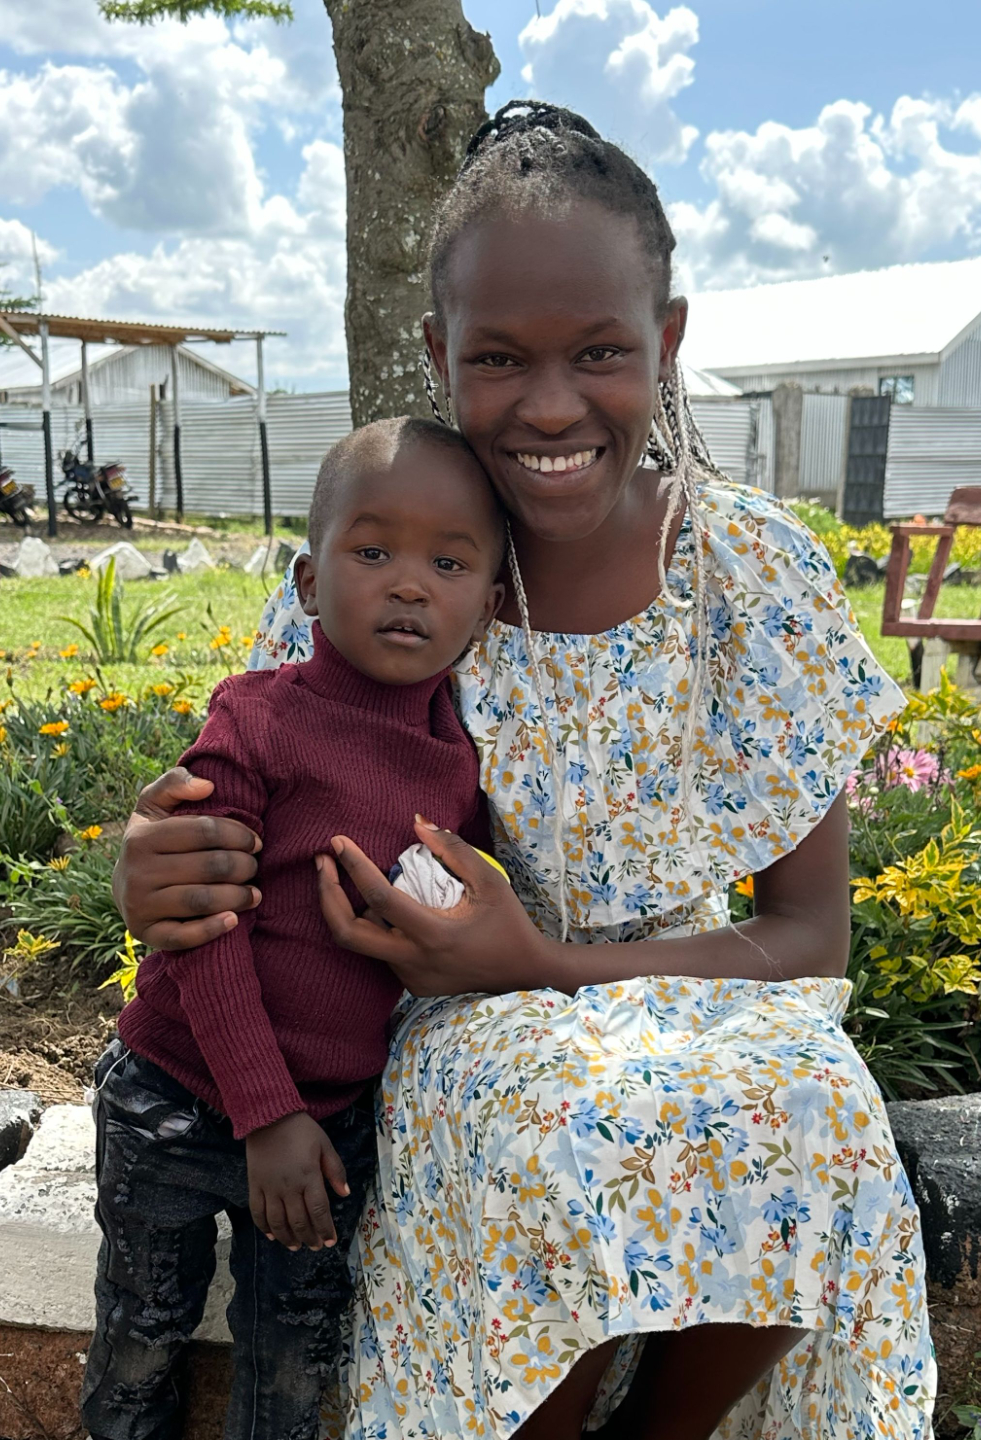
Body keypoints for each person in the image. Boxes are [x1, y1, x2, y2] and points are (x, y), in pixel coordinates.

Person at [113, 102, 935, 1440]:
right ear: (439, 352)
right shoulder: (382, 581)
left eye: (601, 351)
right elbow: (235, 823)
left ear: (667, 340)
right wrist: (153, 868)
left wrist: (542, 960)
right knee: (542, 1126)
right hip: (436, 1012)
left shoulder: (750, 576)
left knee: (820, 1108)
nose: (551, 406)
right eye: (497, 358)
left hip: (697, 992)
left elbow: (808, 935)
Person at [82, 417, 507, 1440]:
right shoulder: (256, 720)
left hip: (329, 1123)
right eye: (373, 552)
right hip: (179, 1098)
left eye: (448, 564)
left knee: (294, 1356)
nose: (410, 586)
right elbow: (200, 927)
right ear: (309, 584)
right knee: (143, 1331)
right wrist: (264, 1113)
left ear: (488, 607)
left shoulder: (463, 763)